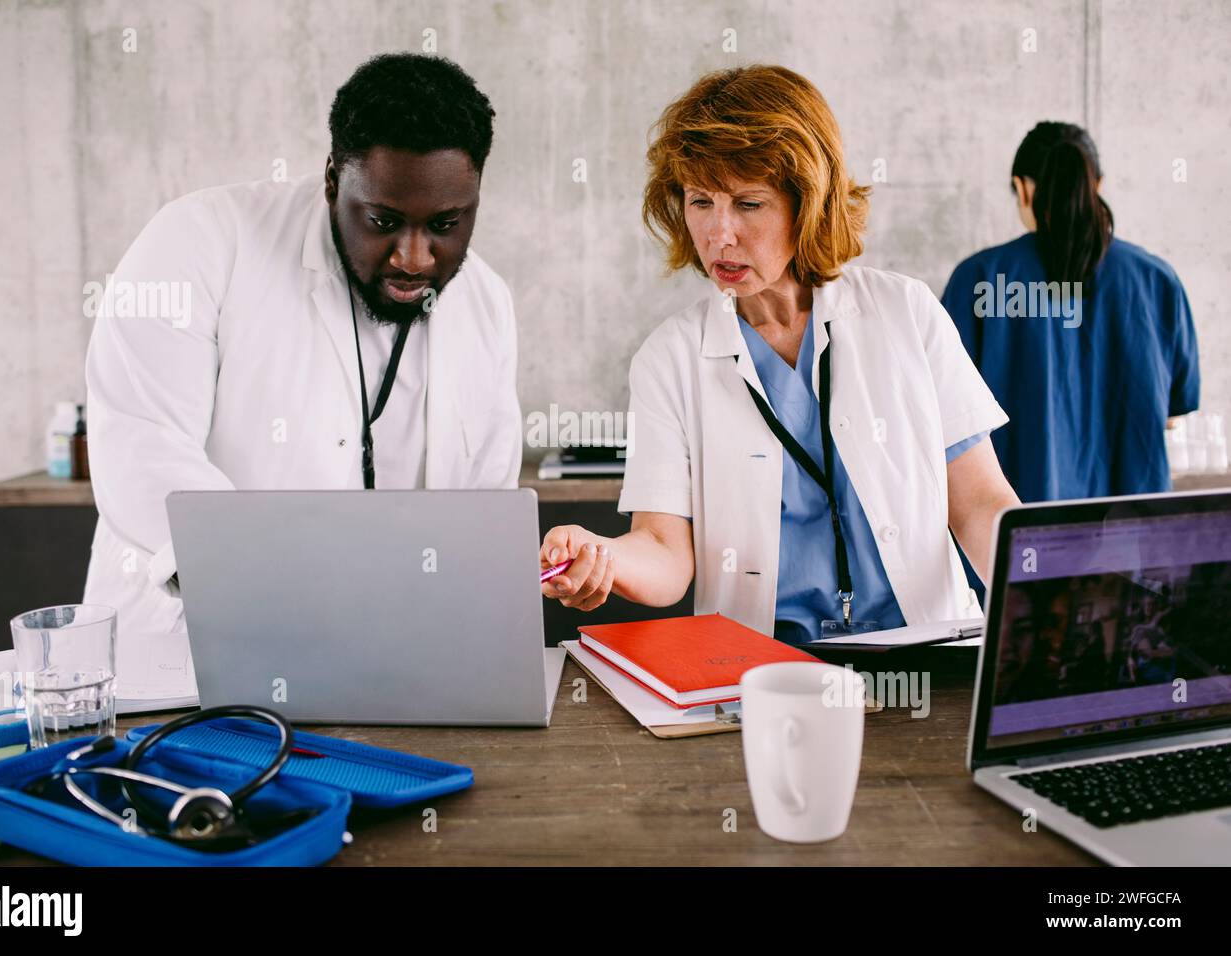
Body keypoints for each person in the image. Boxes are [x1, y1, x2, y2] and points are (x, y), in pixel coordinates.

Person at [539, 65, 1020, 645]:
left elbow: (978, 505)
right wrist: (604, 556)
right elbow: (666, 555)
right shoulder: (668, 359)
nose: (719, 235)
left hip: (927, 657)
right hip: (761, 675)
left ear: (808, 204)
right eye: (699, 201)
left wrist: (1046, 596)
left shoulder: (905, 312)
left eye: (748, 203)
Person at [83, 53, 522, 636]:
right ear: (333, 180)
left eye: (445, 224)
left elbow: (481, 519)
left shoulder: (486, 305)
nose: (414, 257)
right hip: (182, 663)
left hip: (393, 663)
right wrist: (282, 593)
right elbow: (143, 450)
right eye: (384, 220)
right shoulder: (199, 241)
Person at [942, 121, 1200, 503]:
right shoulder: (1157, 279)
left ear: (1022, 188)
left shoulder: (979, 280)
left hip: (1015, 536)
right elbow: (1173, 414)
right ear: (1097, 185)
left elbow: (945, 420)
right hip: (1132, 536)